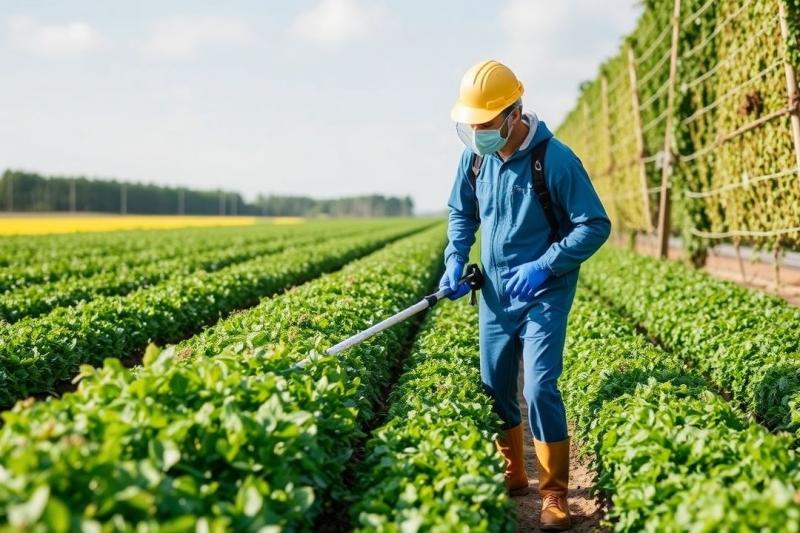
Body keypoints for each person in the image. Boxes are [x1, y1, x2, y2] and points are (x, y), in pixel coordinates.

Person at [441, 59, 611, 531]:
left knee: (538, 387)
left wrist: (546, 264)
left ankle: (554, 494)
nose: (477, 133)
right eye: (470, 125)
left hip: (544, 292)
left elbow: (595, 225)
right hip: (496, 294)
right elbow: (461, 212)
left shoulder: (553, 159)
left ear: (513, 114)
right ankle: (514, 474)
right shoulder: (474, 159)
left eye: (485, 124)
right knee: (495, 386)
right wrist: (455, 258)